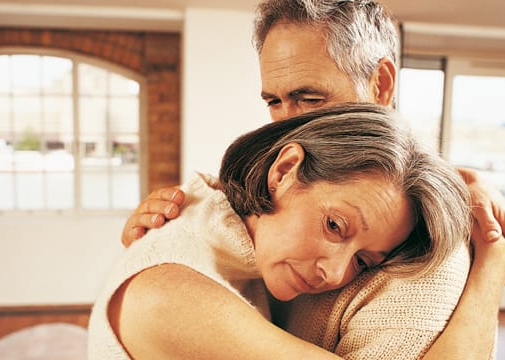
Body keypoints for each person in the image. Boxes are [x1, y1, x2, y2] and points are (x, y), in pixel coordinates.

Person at [120, 0, 505, 358]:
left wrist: (489, 265)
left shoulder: (427, 243)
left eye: (311, 100)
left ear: (381, 84)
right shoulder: (231, 216)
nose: (289, 126)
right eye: (274, 101)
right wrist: (170, 232)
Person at [89, 103, 473, 359]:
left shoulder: (220, 236)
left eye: (362, 260)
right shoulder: (169, 293)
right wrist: (493, 265)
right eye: (335, 226)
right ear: (284, 170)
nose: (336, 273)